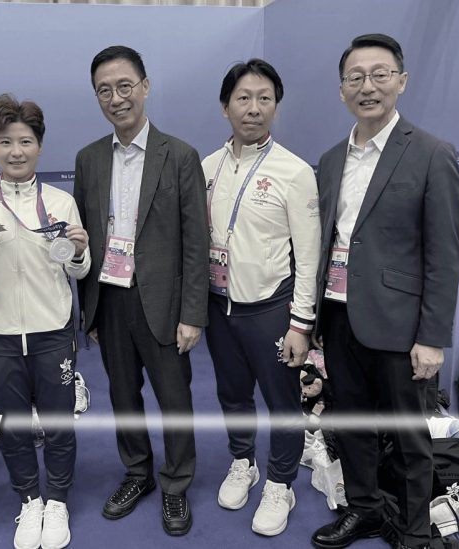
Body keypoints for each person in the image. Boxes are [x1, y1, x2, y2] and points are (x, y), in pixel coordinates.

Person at [310, 34, 459, 549]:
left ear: (401, 81)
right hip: (339, 316)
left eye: (380, 74)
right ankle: (365, 509)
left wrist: (433, 337)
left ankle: (416, 531)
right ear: (342, 90)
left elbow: (443, 255)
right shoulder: (331, 159)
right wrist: (315, 321)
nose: (368, 86)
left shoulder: (432, 153)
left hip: (401, 326)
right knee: (351, 422)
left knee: (408, 436)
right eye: (355, 77)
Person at [73, 45, 208, 536]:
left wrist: (192, 313)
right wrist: (89, 312)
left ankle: (176, 482)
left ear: (145, 87)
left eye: (124, 86)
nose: (116, 98)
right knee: (122, 395)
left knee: (174, 398)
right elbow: (86, 238)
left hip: (164, 303)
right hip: (110, 298)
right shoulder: (89, 159)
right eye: (104, 90)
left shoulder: (180, 155)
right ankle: (137, 473)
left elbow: (196, 242)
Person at [0, 94, 91, 549]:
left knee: (58, 423)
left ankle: (58, 500)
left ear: (40, 145)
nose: (16, 151)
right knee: (11, 425)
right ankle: (30, 499)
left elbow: (79, 269)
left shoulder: (61, 202)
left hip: (53, 332)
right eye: (5, 142)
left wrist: (78, 252)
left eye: (25, 141)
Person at [202, 59, 320, 536]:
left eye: (264, 98)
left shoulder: (294, 171)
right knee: (232, 394)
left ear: (276, 106)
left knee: (282, 402)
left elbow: (308, 258)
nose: (254, 108)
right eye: (243, 98)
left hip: (271, 308)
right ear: (225, 106)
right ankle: (243, 462)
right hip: (219, 306)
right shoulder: (207, 167)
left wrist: (301, 324)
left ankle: (280, 483)